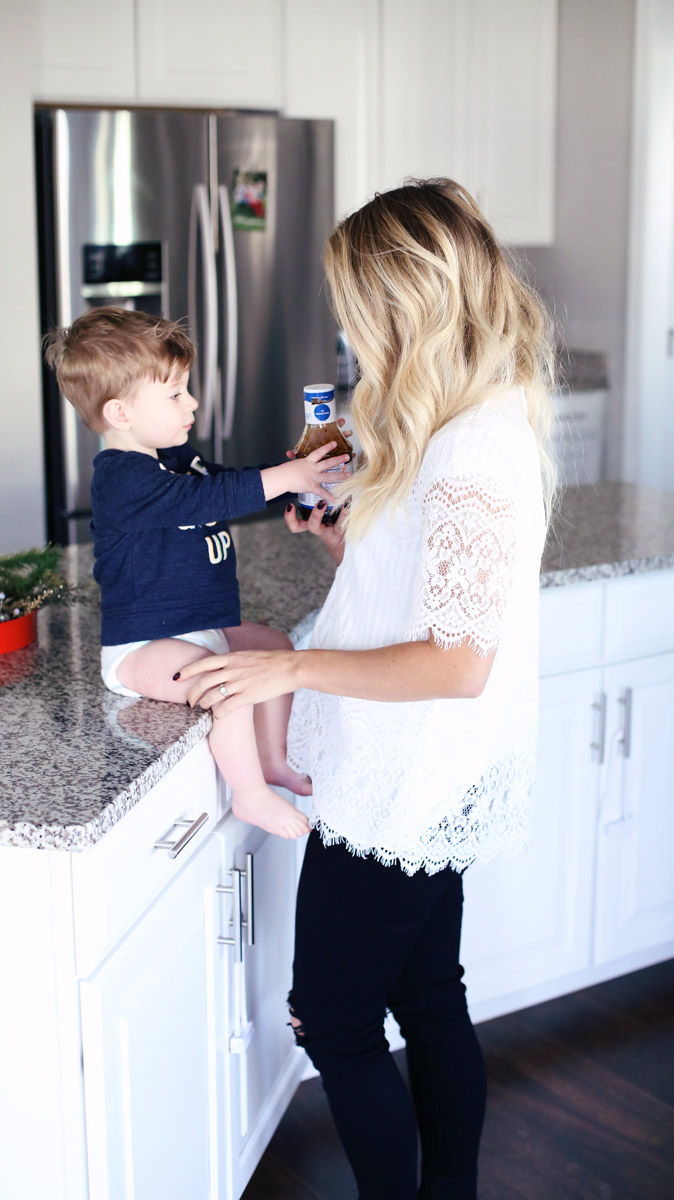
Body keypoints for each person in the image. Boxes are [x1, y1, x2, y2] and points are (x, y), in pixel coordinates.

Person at [179, 179, 557, 1199]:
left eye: (355, 302)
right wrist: (346, 536)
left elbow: (453, 660)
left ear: (405, 304)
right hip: (415, 769)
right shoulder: (450, 424)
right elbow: (423, 593)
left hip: (406, 778)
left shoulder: (478, 449)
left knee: (335, 1022)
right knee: (430, 995)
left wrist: (288, 664)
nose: (346, 324)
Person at [44, 306, 350, 839]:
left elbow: (222, 483)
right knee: (227, 687)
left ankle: (272, 760)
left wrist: (287, 478)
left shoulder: (173, 457)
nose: (193, 403)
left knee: (276, 647)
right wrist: (283, 477)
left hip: (200, 621)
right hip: (143, 646)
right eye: (175, 394)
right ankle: (251, 795)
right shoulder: (121, 477)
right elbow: (203, 498)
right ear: (120, 414)